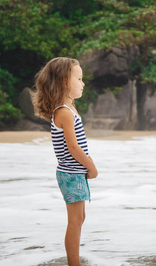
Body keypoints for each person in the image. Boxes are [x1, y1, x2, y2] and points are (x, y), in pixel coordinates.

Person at [33, 57, 98, 266]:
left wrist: (85, 165)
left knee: (79, 219)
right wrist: (91, 165)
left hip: (73, 173)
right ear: (64, 82)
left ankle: (74, 260)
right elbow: (73, 147)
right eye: (79, 78)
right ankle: (74, 263)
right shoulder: (64, 112)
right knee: (75, 221)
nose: (83, 83)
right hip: (71, 174)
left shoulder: (67, 110)